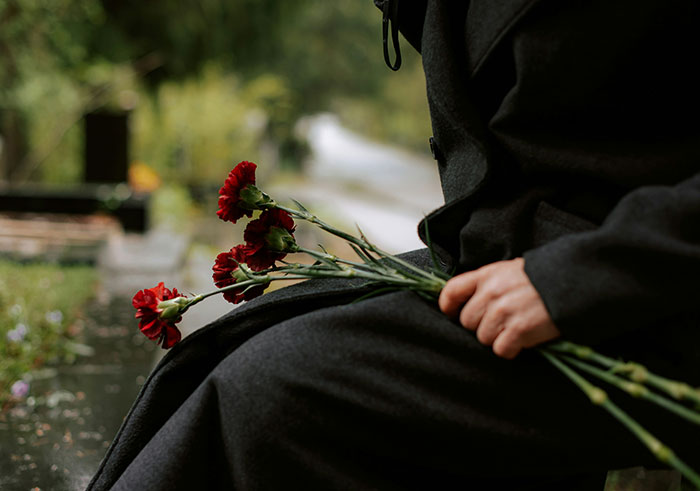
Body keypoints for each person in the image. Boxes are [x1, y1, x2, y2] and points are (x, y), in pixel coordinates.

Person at [88, 1, 700, 489]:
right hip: (518, 260)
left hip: (650, 293)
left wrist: (589, 275)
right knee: (220, 349)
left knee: (272, 395)